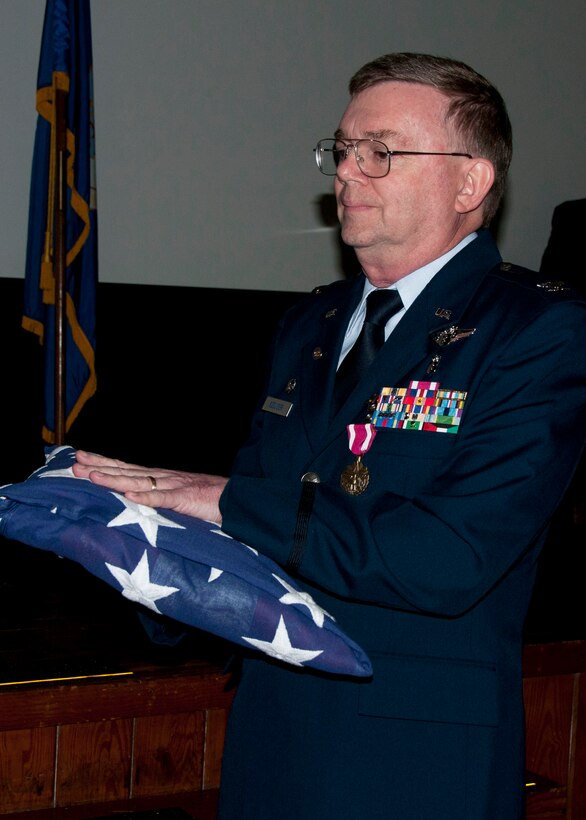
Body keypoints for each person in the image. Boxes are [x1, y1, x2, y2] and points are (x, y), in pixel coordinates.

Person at [72, 52, 586, 820]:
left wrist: (224, 501)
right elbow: (254, 527)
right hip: (272, 741)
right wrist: (140, 552)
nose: (347, 172)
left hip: (414, 757)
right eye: (341, 151)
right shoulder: (309, 325)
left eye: (380, 152)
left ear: (469, 183)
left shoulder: (535, 331)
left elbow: (447, 558)